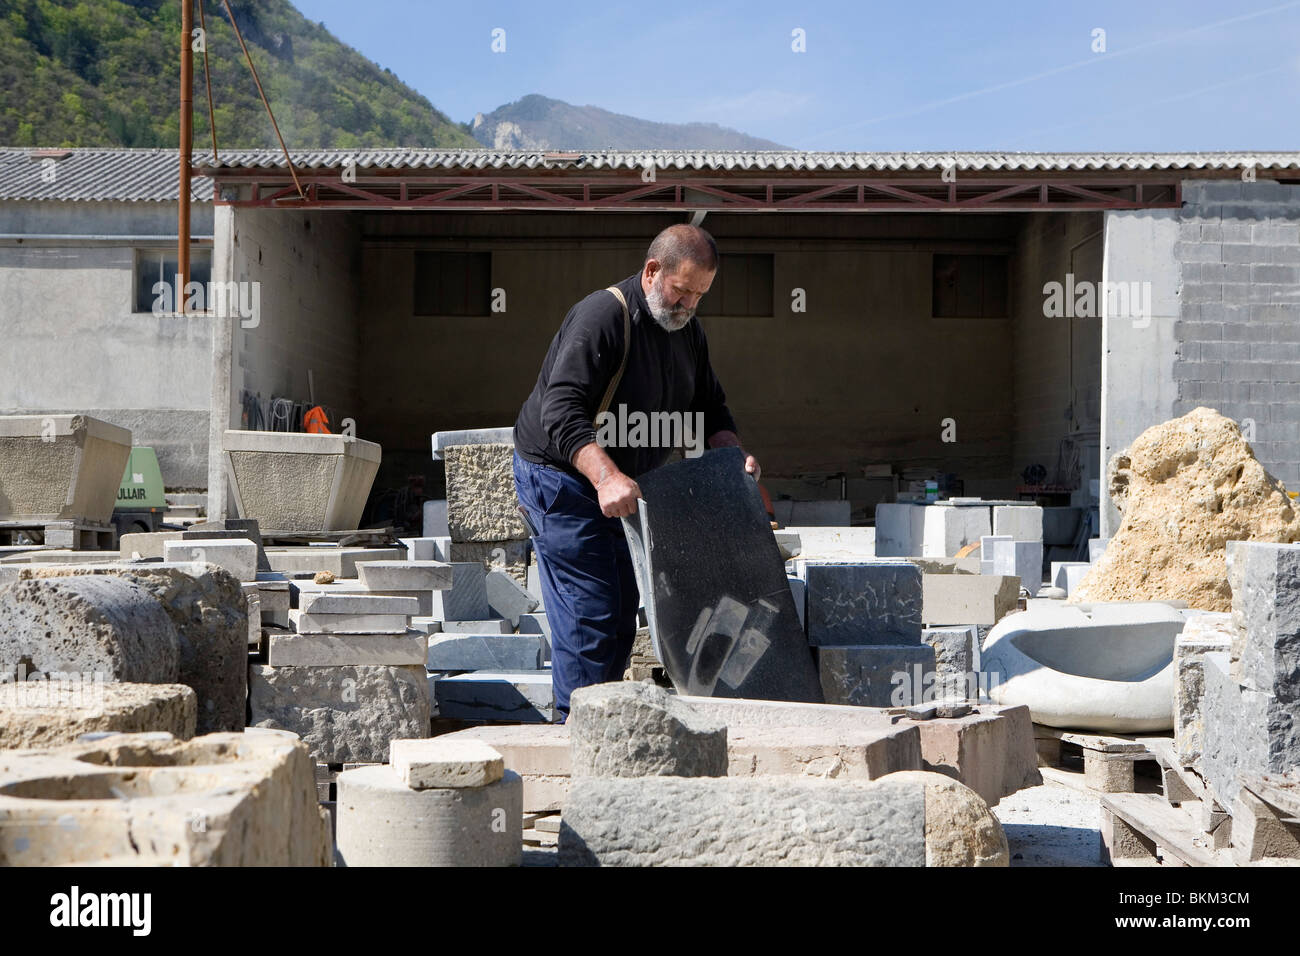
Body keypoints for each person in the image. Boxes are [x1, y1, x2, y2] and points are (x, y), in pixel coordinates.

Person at [512, 224, 760, 721]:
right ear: (652, 272)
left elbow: (711, 407)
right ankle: (577, 739)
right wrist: (605, 477)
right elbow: (560, 411)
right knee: (592, 614)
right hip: (563, 479)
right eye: (681, 290)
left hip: (624, 489)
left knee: (622, 612)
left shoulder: (685, 330)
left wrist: (733, 457)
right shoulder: (604, 316)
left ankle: (602, 733)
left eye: (699, 295)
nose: (688, 304)